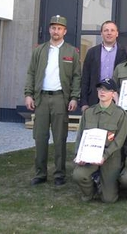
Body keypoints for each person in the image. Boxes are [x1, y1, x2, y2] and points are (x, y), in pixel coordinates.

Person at [24, 15, 81, 186]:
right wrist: (28, 94)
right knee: (40, 137)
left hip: (60, 99)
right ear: (49, 30)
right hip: (41, 98)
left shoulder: (72, 52)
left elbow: (77, 77)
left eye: (59, 28)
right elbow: (31, 73)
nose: (56, 31)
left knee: (59, 138)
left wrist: (74, 97)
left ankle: (59, 174)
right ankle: (40, 174)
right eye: (53, 28)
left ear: (65, 31)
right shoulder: (39, 50)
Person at [73, 78, 127, 203]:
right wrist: (78, 155)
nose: (102, 92)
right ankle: (89, 191)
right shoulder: (89, 112)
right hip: (90, 156)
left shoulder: (120, 114)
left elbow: (119, 140)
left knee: (109, 199)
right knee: (78, 175)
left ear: (113, 94)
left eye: (107, 90)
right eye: (100, 89)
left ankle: (102, 183)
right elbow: (80, 136)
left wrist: (105, 155)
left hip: (110, 158)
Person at [80, 21, 127, 112]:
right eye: (106, 30)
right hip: (94, 98)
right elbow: (85, 78)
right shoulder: (92, 52)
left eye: (112, 30)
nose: (109, 33)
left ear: (117, 33)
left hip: (115, 99)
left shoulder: (124, 53)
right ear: (101, 33)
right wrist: (84, 102)